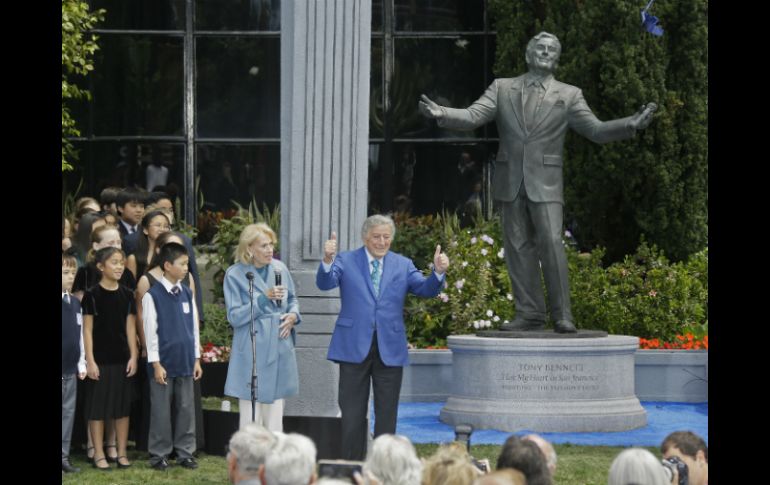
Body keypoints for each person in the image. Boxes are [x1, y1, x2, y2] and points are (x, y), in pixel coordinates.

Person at [419, 31, 656, 333]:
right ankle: (529, 314)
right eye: (540, 48)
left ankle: (562, 315)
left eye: (551, 50)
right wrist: (442, 112)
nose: (545, 52)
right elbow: (474, 115)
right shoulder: (502, 88)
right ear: (529, 54)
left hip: (546, 182)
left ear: (557, 58)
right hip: (510, 181)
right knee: (517, 248)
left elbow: (595, 130)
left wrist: (629, 125)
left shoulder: (569, 94)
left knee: (552, 245)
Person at [316, 214, 449, 460]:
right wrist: (327, 260)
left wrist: (438, 273)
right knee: (352, 414)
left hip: (390, 346)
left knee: (387, 414)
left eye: (386, 237)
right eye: (376, 236)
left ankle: (383, 466)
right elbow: (325, 283)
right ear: (365, 238)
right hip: (353, 346)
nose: (381, 242)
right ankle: (352, 467)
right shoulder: (345, 260)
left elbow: (425, 289)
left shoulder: (403, 264)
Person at [223, 223, 300, 431]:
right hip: (253, 347)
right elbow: (235, 316)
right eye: (264, 245)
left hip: (278, 343)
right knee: (251, 415)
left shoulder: (280, 268)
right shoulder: (234, 274)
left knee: (275, 414)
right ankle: (249, 449)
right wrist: (262, 300)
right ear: (249, 248)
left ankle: (274, 449)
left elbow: (292, 299)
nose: (269, 250)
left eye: (271, 245)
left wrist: (293, 315)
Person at [142, 242, 203, 471]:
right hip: (163, 364)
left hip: (185, 360)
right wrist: (156, 364)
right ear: (167, 265)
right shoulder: (153, 295)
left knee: (186, 409)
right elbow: (150, 332)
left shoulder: (187, 292)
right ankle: (159, 454)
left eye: (187, 264)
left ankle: (185, 452)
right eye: (183, 264)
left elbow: (194, 328)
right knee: (161, 411)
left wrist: (196, 358)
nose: (187, 268)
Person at [82, 247, 138, 471]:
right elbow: (87, 330)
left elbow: (131, 328)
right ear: (100, 266)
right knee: (98, 408)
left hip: (122, 358)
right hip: (100, 359)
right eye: (114, 262)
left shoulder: (127, 294)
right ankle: (98, 453)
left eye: (121, 262)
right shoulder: (91, 295)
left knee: (122, 408)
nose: (119, 266)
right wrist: (90, 360)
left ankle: (121, 452)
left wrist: (134, 356)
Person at [62, 254, 87, 474]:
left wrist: (82, 363)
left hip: (70, 368)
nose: (71, 277)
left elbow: (79, 336)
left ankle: (63, 456)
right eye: (65, 273)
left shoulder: (75, 303)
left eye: (73, 273)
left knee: (68, 413)